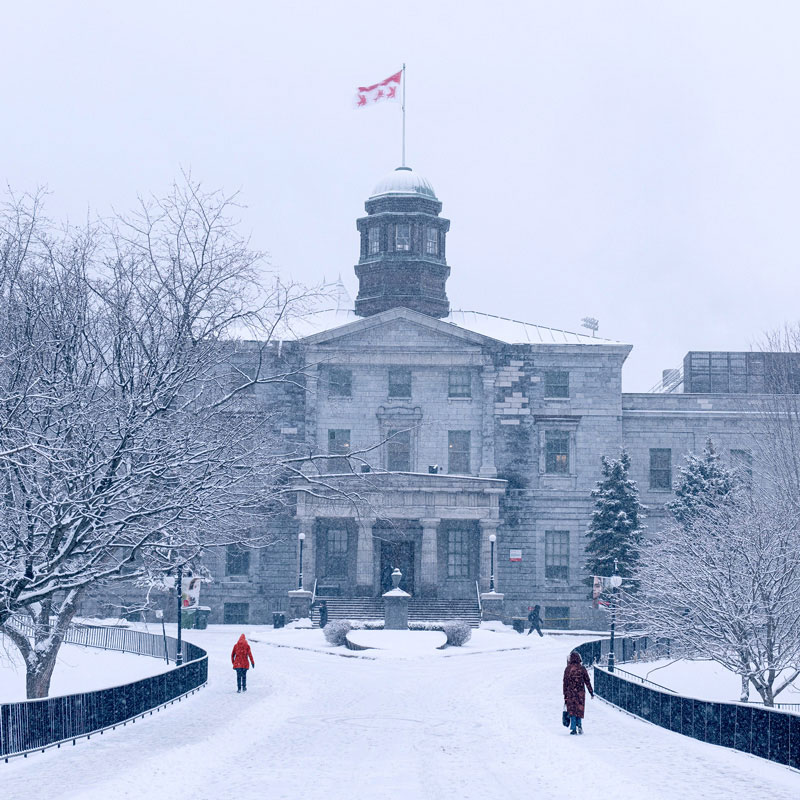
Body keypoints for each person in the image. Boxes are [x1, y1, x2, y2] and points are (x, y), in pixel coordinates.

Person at [563, 650, 594, 734]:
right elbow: (587, 681)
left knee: (572, 710)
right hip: (580, 693)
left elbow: (565, 683)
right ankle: (579, 725)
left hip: (570, 693)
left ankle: (573, 729)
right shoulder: (582, 668)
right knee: (579, 709)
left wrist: (565, 694)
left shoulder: (568, 669)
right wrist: (591, 692)